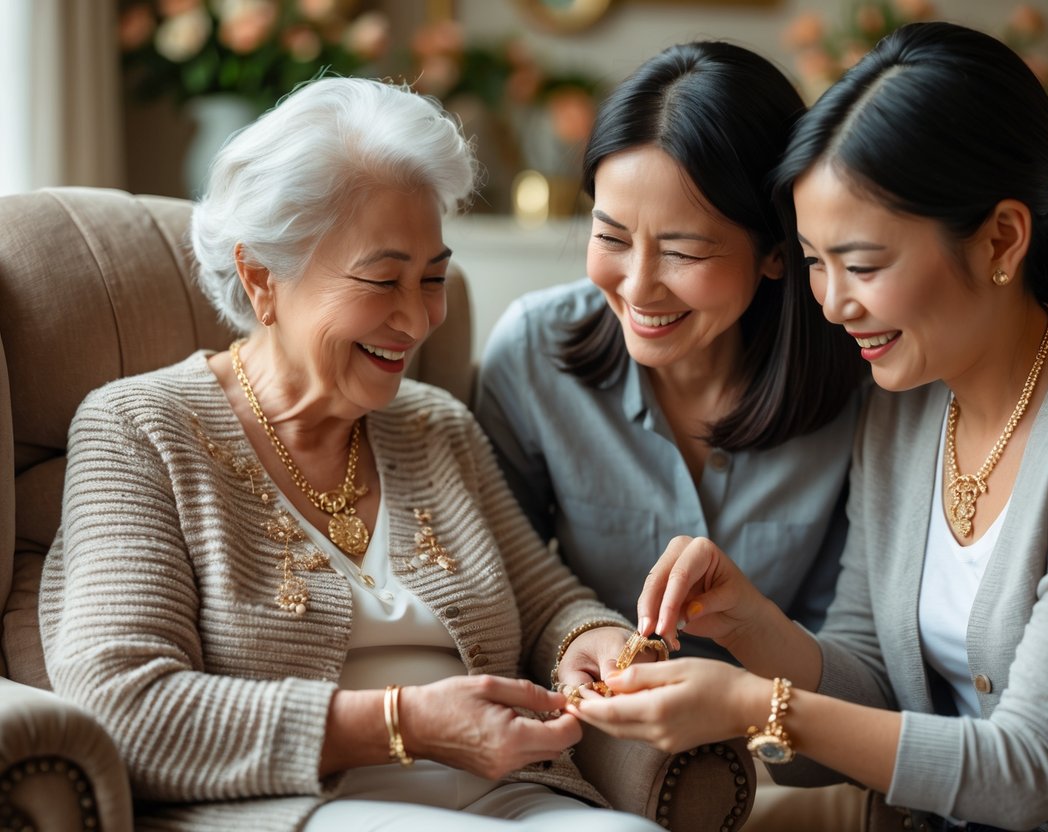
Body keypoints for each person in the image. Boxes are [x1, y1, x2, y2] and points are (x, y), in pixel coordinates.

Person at [570, 22, 1048, 832]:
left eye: (864, 265)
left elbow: (1034, 770)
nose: (833, 304)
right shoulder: (904, 403)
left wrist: (753, 702)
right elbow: (868, 698)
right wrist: (750, 626)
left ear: (1000, 239)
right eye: (812, 261)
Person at [37, 77, 661, 831]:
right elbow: (121, 703)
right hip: (296, 810)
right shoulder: (140, 430)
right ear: (262, 277)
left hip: (514, 797)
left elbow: (548, 604)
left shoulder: (436, 426)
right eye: (381, 279)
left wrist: (589, 641)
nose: (417, 318)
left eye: (432, 277)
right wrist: (407, 724)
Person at [475, 41, 865, 662]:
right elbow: (498, 590)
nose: (637, 286)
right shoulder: (531, 353)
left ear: (775, 250)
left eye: (683, 252)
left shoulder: (861, 376)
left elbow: (857, 650)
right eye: (611, 237)